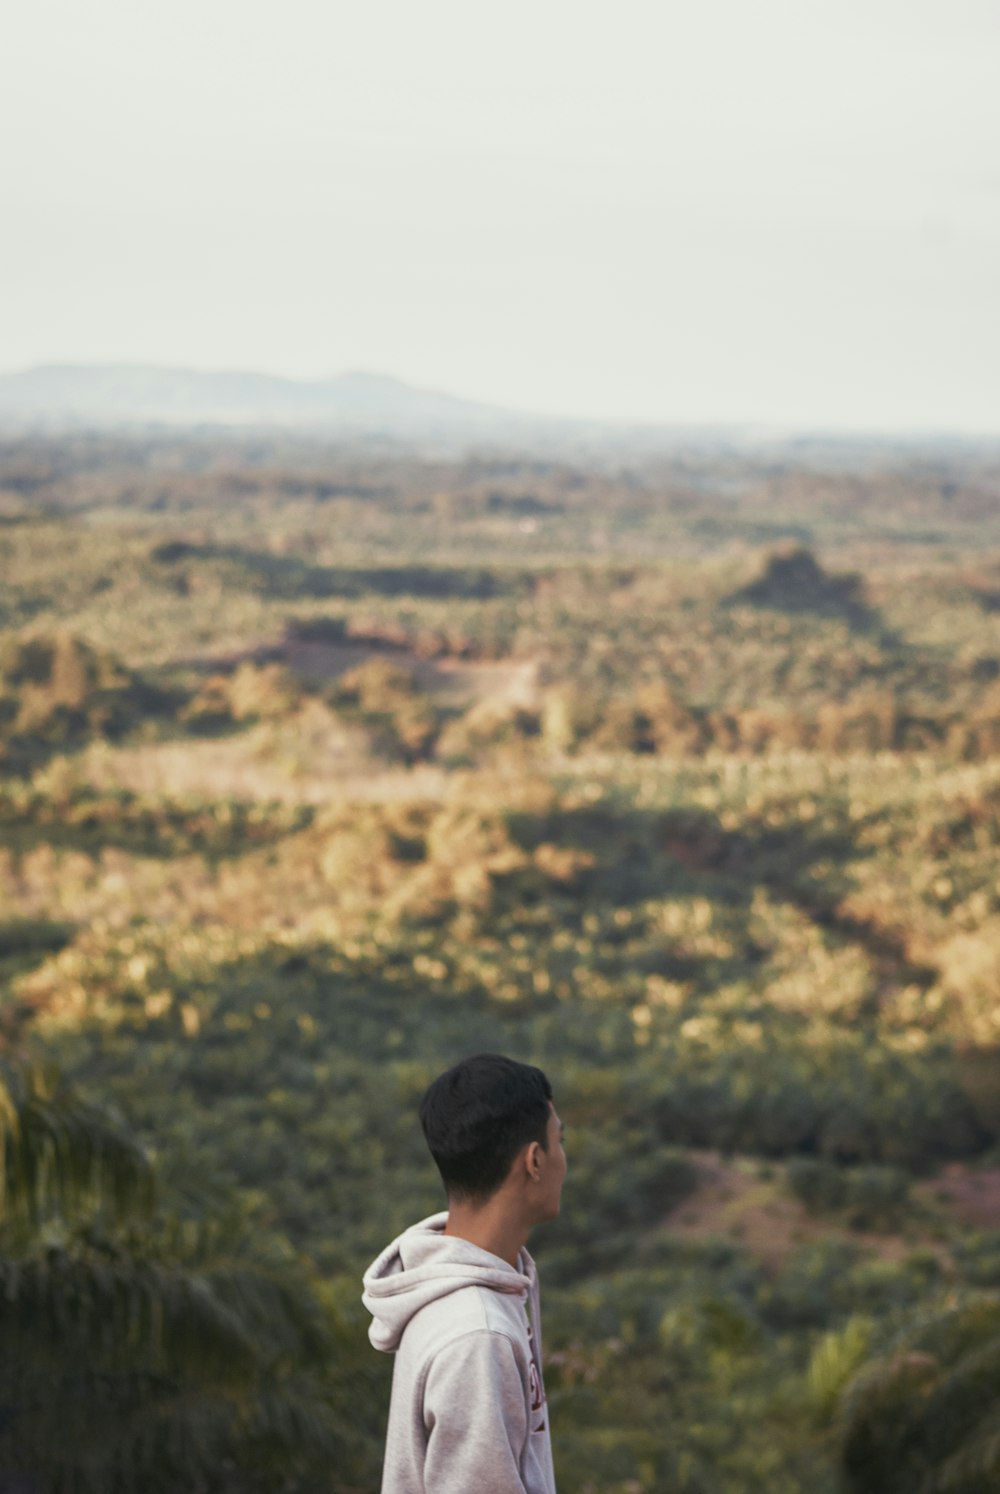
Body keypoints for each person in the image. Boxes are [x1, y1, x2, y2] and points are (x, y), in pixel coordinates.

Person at [363, 1053, 566, 1494]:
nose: (564, 1160)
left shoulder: (448, 1290)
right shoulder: (478, 1335)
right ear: (534, 1160)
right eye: (560, 1141)